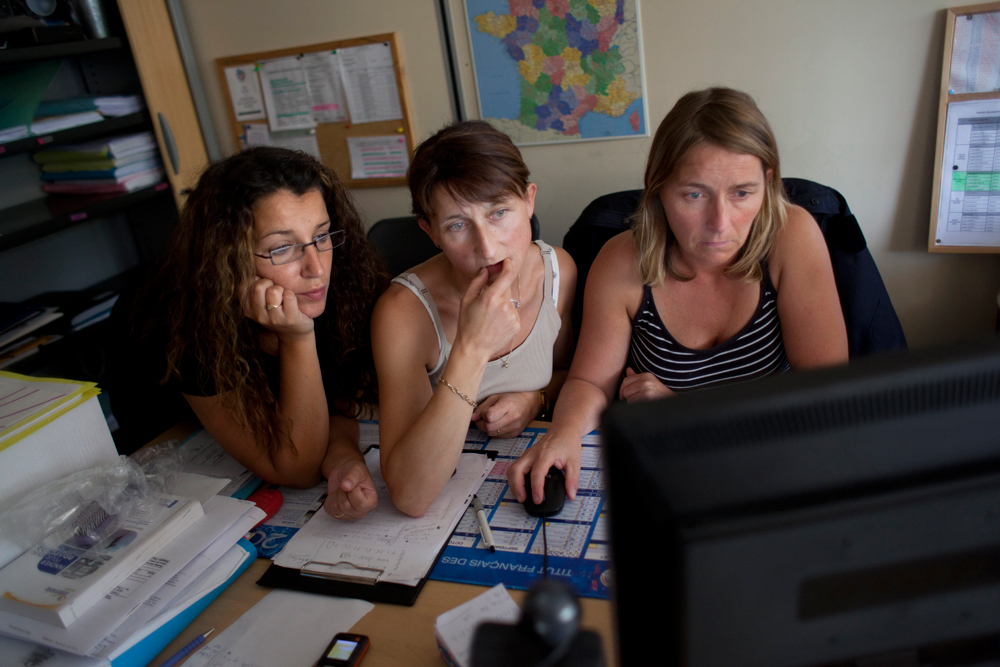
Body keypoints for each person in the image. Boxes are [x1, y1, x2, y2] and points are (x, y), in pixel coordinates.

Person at [508, 87, 849, 505]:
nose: (720, 224)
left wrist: (685, 410)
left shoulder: (791, 236)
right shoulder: (620, 260)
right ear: (659, 188)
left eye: (742, 193)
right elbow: (590, 383)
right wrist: (562, 436)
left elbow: (826, 396)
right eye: (694, 194)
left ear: (768, 183)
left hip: (771, 463)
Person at [111, 147, 387, 520]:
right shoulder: (183, 321)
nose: (316, 267)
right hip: (169, 476)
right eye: (282, 248)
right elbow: (297, 470)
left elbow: (335, 405)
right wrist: (298, 339)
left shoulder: (328, 287)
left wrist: (343, 458)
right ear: (230, 256)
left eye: (321, 236)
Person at [371, 121, 577, 517]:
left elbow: (568, 373)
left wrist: (534, 399)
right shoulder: (402, 312)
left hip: (522, 473)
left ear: (529, 201)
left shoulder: (559, 272)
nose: (487, 247)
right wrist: (472, 348)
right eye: (457, 226)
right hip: (443, 498)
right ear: (430, 232)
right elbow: (410, 495)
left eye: (499, 212)